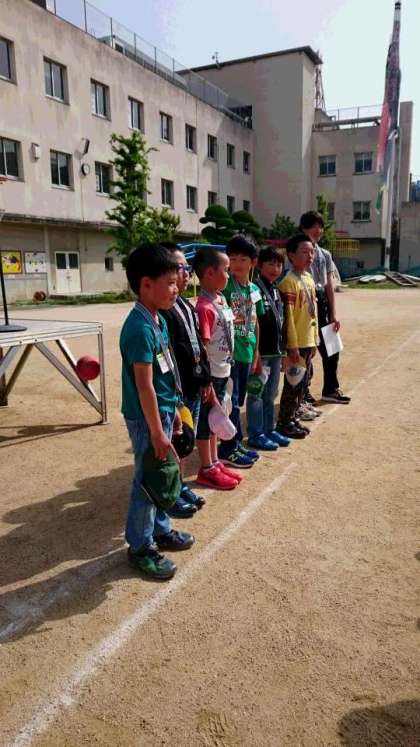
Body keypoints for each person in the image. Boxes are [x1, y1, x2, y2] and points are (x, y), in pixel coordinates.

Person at [120, 243, 194, 581]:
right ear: (146, 284)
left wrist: (174, 408)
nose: (176, 288)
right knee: (147, 481)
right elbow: (144, 386)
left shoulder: (158, 318)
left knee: (163, 475)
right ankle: (140, 546)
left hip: (162, 411)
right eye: (170, 283)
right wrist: (156, 431)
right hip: (146, 417)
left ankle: (161, 529)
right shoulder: (139, 328)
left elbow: (165, 374)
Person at [160, 243, 211, 516]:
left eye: (185, 268)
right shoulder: (163, 310)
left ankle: (179, 485)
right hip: (178, 389)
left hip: (195, 383)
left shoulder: (185, 305)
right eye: (180, 268)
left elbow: (198, 344)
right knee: (177, 443)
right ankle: (171, 492)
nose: (186, 273)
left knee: (185, 441)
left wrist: (206, 378)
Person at [193, 247, 242, 490]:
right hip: (211, 374)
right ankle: (206, 468)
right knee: (206, 422)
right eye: (226, 270)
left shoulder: (220, 299)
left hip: (224, 370)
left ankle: (214, 461)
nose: (229, 275)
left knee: (217, 417)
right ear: (210, 273)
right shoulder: (203, 307)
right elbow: (202, 347)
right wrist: (206, 381)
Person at [218, 235, 265, 467]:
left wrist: (256, 353)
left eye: (242, 259)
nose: (236, 264)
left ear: (253, 262)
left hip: (247, 352)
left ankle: (235, 443)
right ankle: (228, 447)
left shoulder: (254, 289)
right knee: (231, 401)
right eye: (232, 258)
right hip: (230, 356)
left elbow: (256, 322)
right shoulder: (225, 286)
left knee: (239, 401)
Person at [300, 210, 351, 404]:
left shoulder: (325, 254)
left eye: (320, 226)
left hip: (322, 301)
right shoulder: (297, 252)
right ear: (304, 228)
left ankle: (330, 389)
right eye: (314, 226)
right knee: (306, 350)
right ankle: (302, 392)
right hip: (305, 302)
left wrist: (333, 313)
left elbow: (329, 284)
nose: (318, 230)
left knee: (332, 348)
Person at [246, 246, 290, 449]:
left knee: (271, 394)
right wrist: (255, 353)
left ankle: (269, 429)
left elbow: (282, 322)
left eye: (279, 265)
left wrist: (284, 351)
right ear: (260, 265)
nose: (275, 269)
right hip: (261, 353)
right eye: (270, 264)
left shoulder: (277, 290)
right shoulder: (254, 289)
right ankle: (256, 433)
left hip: (276, 352)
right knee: (256, 393)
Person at [276, 234, 318, 439]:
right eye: (305, 251)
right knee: (293, 383)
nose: (310, 256)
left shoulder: (308, 279)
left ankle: (293, 417)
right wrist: (291, 345)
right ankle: (284, 422)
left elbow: (313, 314)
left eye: (312, 252)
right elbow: (288, 318)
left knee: (303, 382)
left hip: (308, 340)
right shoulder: (288, 282)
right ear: (291, 255)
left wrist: (315, 340)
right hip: (297, 343)